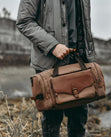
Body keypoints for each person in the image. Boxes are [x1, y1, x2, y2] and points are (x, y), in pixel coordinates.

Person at [16, 0, 95, 136]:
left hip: (78, 62)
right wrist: (53, 46)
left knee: (79, 119)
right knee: (52, 121)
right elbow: (24, 21)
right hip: (49, 63)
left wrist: (87, 57)